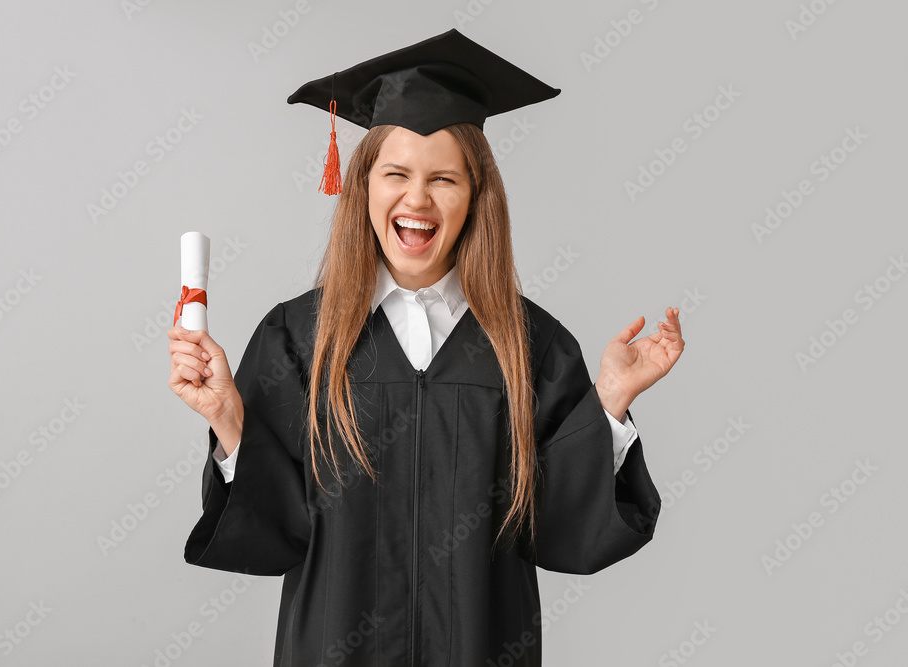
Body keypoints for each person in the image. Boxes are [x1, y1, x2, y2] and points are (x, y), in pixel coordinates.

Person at [167, 28, 684, 667]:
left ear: (475, 199)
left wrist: (608, 402)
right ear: (363, 188)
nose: (417, 199)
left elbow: (563, 537)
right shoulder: (298, 337)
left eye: (445, 179)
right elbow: (274, 535)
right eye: (396, 174)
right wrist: (228, 420)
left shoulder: (532, 346)